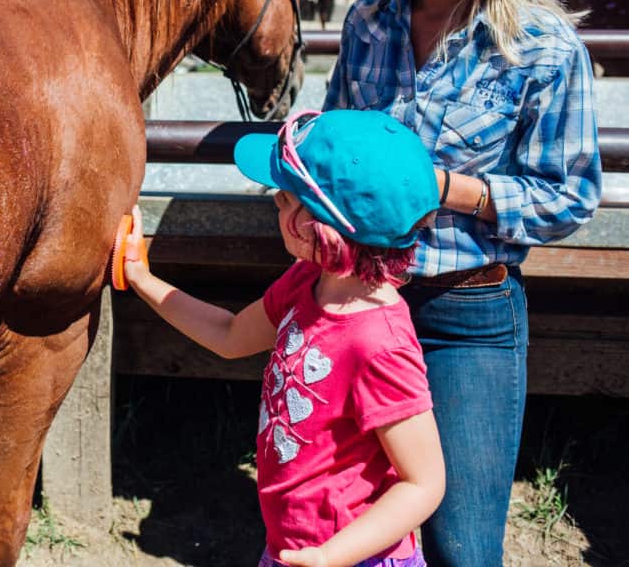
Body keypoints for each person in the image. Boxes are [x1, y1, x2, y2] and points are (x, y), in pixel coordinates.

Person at [305, 0, 602, 564]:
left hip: (466, 312)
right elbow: (337, 149)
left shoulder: (542, 47)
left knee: (461, 543)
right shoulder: (369, 22)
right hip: (356, 303)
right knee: (346, 523)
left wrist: (448, 188)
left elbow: (568, 196)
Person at [122, 109, 446, 567]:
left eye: (287, 195)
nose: (275, 200)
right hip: (292, 548)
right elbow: (229, 333)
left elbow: (424, 482)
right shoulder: (306, 281)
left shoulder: (379, 344)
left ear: (322, 226)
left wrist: (332, 555)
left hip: (355, 559)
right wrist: (141, 278)